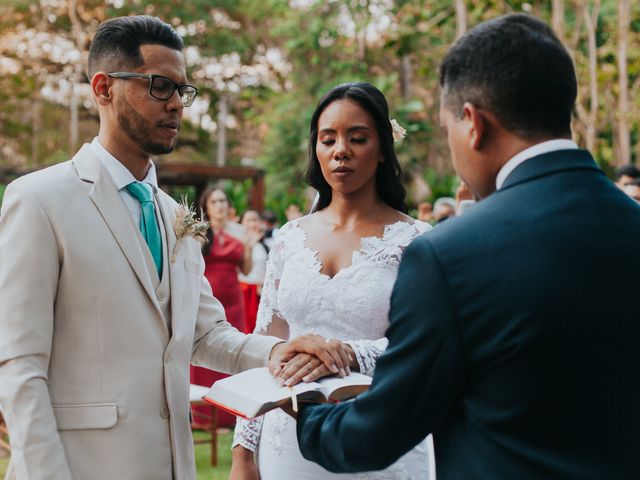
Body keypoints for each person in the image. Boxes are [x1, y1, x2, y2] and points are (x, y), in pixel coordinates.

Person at [0, 15, 348, 480]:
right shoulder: (40, 200)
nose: (177, 106)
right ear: (103, 88)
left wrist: (276, 352)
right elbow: (20, 366)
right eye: (160, 86)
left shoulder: (174, 214)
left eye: (183, 91)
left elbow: (205, 336)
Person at [295, 13, 640, 480]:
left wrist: (307, 411)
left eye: (448, 128)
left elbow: (377, 433)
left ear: (473, 124)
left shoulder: (449, 255)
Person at [230, 82, 434, 480]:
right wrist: (243, 449)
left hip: (381, 439)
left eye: (357, 138)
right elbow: (265, 342)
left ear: (381, 150)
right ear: (316, 150)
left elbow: (422, 346)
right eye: (328, 139)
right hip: (287, 440)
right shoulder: (289, 238)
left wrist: (348, 354)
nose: (341, 150)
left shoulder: (417, 242)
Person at [189, 187, 258, 429]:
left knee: (233, 349)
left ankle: (230, 414)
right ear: (206, 206)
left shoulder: (240, 233)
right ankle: (202, 414)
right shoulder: (197, 232)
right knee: (206, 349)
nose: (219, 205)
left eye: (223, 201)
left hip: (233, 301)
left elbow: (246, 270)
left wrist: (249, 246)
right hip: (208, 299)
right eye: (214, 201)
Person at [238, 208, 269, 334]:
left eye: (255, 220)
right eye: (248, 220)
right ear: (241, 223)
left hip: (260, 292)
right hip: (244, 292)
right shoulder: (238, 243)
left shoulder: (265, 244)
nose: (252, 224)